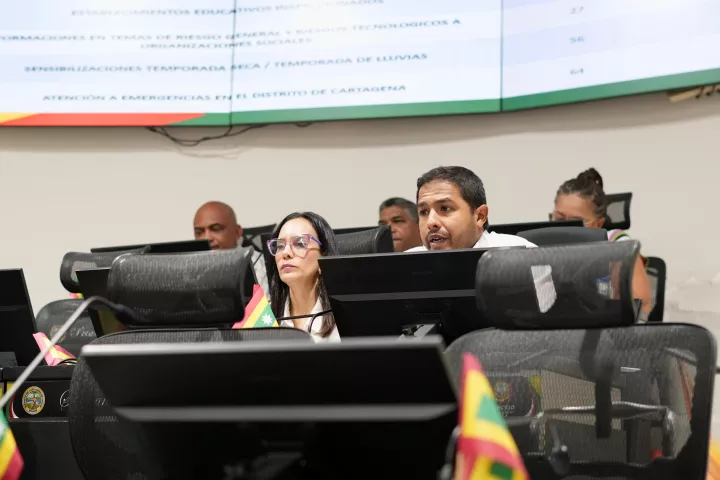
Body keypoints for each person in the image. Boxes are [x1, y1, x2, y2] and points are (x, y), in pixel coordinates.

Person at [551, 168, 652, 313]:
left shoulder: (618, 245)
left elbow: (642, 305)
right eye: (559, 220)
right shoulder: (543, 249)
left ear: (599, 224)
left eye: (577, 223)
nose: (565, 229)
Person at [406, 166, 536, 252]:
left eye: (445, 208)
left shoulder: (521, 255)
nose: (431, 222)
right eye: (424, 212)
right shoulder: (404, 265)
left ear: (480, 216)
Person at [266, 212, 340, 343]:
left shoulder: (346, 318)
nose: (286, 253)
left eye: (300, 243)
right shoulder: (263, 317)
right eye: (280, 246)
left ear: (323, 255)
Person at [193, 201, 268, 292]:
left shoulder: (262, 267)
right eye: (199, 233)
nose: (207, 237)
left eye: (216, 229)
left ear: (237, 232)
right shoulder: (189, 269)